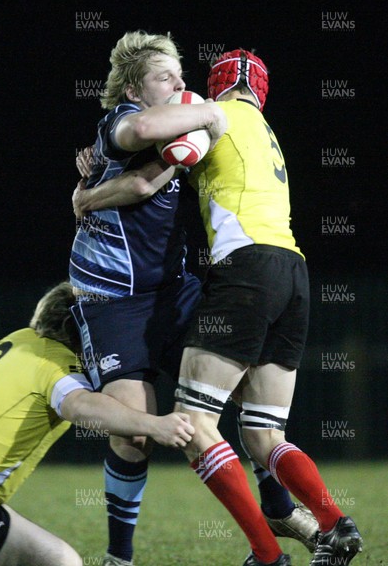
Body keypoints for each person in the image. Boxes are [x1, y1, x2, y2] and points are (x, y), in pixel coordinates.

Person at [69, 30, 299, 566]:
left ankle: (277, 504)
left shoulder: (188, 129)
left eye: (181, 75)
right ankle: (119, 557)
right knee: (134, 435)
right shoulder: (119, 125)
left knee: (246, 398)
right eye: (164, 77)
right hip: (113, 300)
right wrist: (86, 199)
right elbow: (142, 183)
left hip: (173, 290)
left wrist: (83, 195)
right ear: (133, 88)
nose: (180, 85)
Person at [174, 49, 363, 566]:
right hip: (294, 272)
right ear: (262, 90)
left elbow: (175, 152)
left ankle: (266, 555)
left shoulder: (215, 114)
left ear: (215, 87)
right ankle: (334, 523)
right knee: (262, 433)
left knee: (192, 422)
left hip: (247, 268)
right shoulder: (265, 129)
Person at [0, 282, 195, 566]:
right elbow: (81, 406)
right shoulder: (56, 362)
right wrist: (156, 425)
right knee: (62, 561)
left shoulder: (20, 339)